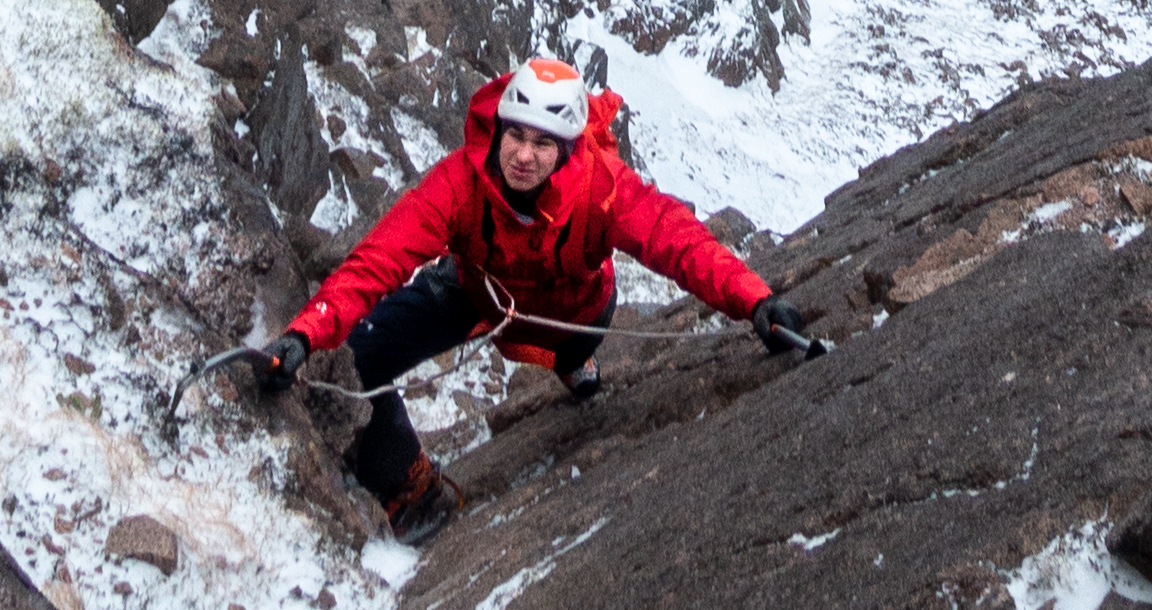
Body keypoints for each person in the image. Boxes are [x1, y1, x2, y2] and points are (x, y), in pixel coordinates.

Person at [272, 53, 824, 535]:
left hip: (573, 316)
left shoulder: (600, 187)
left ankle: (573, 365)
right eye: (515, 135)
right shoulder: (461, 182)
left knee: (571, 354)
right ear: (499, 129)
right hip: (479, 295)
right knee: (362, 352)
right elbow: (381, 258)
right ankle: (414, 489)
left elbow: (675, 240)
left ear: (566, 151)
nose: (524, 156)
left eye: (543, 143)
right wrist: (305, 333)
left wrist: (755, 301)